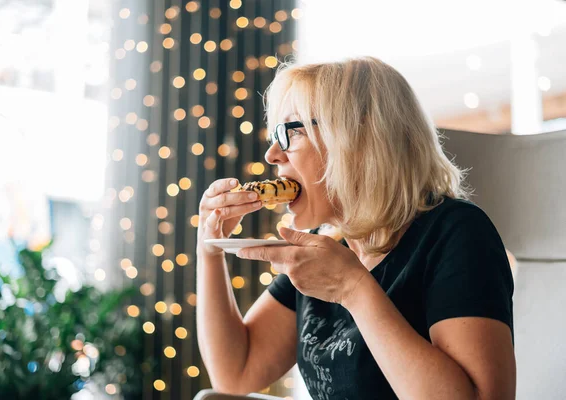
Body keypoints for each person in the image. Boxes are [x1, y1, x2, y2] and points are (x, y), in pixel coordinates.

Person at [196, 57, 516, 400]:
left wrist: (353, 289)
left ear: (359, 140)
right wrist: (209, 250)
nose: (273, 154)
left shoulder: (456, 233)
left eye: (293, 131)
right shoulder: (327, 248)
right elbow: (235, 373)